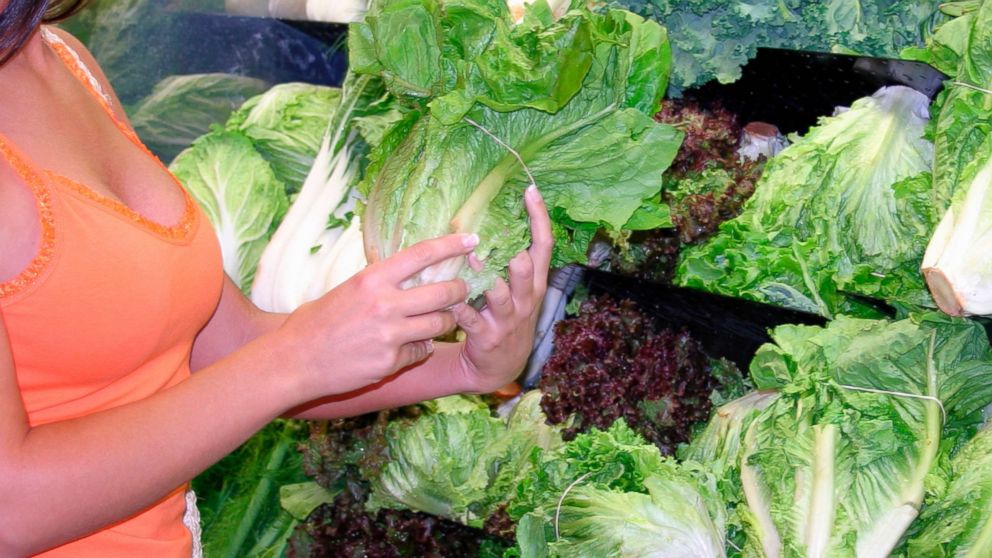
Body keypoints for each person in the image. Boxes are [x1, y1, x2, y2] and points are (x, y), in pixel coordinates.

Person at [0, 0, 553, 556]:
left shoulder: (63, 57)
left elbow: (227, 350)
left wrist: (464, 366)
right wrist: (294, 359)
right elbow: (11, 512)